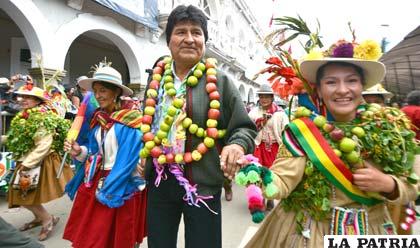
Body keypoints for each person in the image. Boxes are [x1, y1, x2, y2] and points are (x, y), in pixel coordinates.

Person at [245, 38, 420, 247]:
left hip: (372, 231)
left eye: (351, 80)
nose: (342, 90)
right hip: (312, 233)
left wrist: (389, 185)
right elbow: (282, 180)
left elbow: (413, 184)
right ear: (318, 90)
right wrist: (259, 178)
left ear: (362, 85)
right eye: (331, 82)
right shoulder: (303, 131)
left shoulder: (390, 128)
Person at [141, 5, 256, 248]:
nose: (190, 39)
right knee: (159, 244)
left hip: (203, 181)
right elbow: (147, 124)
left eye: (197, 32)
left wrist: (236, 145)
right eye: (181, 32)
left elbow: (244, 128)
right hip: (161, 180)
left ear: (205, 40)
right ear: (168, 39)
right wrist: (143, 156)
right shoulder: (156, 80)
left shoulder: (220, 81)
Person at [63, 63, 147, 248]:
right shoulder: (98, 118)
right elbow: (95, 152)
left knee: (121, 237)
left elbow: (126, 161)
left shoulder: (131, 121)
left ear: (116, 91)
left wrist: (109, 190)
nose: (98, 96)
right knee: (94, 238)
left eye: (103, 90)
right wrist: (79, 151)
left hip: (122, 184)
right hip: (98, 179)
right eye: (95, 91)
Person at [6, 84, 73, 241]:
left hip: (36, 163)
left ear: (37, 101)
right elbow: (18, 139)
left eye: (28, 97)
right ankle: (40, 217)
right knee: (24, 196)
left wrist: (27, 164)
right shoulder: (23, 116)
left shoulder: (42, 118)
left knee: (24, 196)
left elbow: (44, 144)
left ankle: (47, 219)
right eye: (21, 96)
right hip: (26, 161)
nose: (22, 100)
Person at [248, 84, 289, 210]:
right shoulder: (254, 113)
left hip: (275, 147)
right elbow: (248, 128)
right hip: (259, 147)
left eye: (267, 97)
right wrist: (260, 122)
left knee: (271, 174)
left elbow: (286, 130)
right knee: (258, 173)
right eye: (261, 96)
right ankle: (261, 198)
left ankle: (270, 197)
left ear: (272, 98)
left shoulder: (280, 114)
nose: (264, 99)